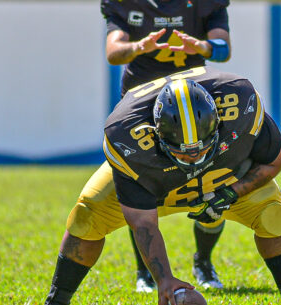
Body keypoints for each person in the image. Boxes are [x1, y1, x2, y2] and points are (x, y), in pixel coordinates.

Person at [43, 67, 281, 305]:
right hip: (153, 181)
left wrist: (232, 193)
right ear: (156, 134)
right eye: (183, 152)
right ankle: (58, 299)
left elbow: (276, 160)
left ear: (218, 122)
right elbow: (143, 224)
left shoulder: (240, 104)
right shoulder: (128, 136)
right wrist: (165, 280)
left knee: (272, 215)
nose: (193, 157)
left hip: (221, 176)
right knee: (86, 217)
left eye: (201, 147)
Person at [101, 0, 232, 292]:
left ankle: (203, 261)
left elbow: (222, 48)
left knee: (211, 181)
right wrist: (139, 47)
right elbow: (113, 52)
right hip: (141, 107)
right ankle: (145, 272)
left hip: (192, 104)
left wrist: (199, 47)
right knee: (138, 188)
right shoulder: (128, 5)